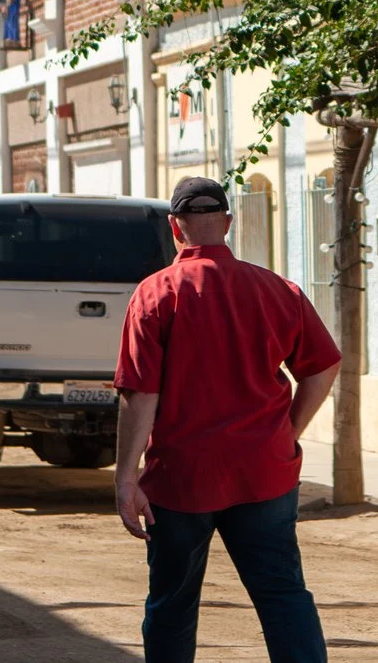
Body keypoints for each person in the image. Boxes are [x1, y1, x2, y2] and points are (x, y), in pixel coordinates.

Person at [115, 176, 340, 663]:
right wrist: (289, 432)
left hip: (182, 477)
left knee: (173, 602)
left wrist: (125, 477)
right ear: (229, 224)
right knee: (283, 594)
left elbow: (141, 393)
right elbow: (323, 367)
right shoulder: (278, 290)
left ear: (175, 227)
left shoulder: (155, 294)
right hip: (264, 471)